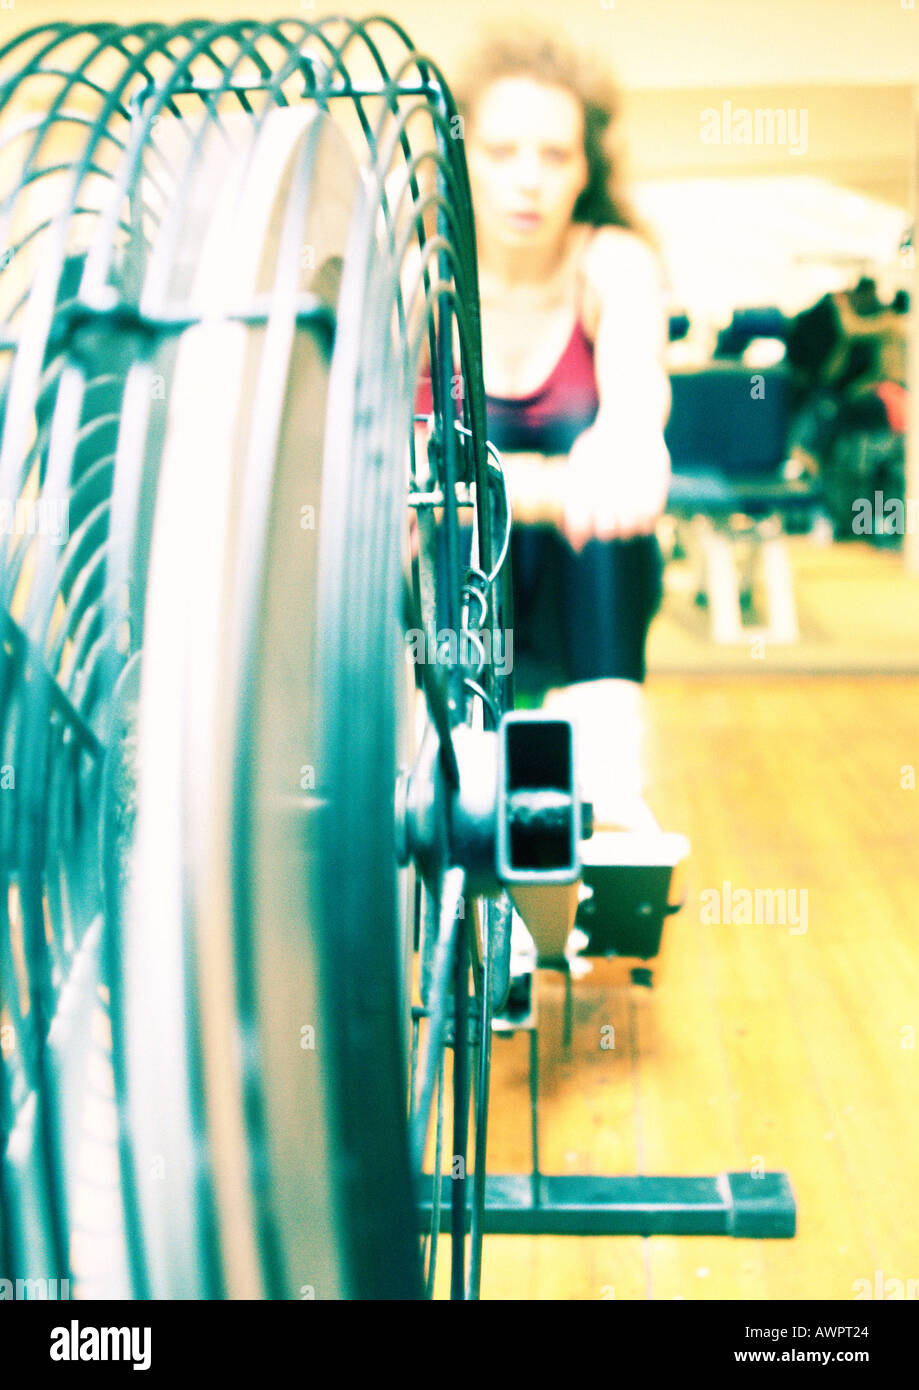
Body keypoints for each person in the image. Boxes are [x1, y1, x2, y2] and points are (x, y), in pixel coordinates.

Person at [452, 33, 672, 832]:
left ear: (586, 170)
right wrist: (541, 487)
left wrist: (629, 438)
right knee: (414, 506)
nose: (527, 179)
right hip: (454, 587)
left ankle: (608, 786)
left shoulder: (609, 262)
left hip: (583, 572)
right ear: (458, 156)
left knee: (605, 474)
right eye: (501, 150)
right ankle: (450, 766)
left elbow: (636, 383)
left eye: (554, 154)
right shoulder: (421, 275)